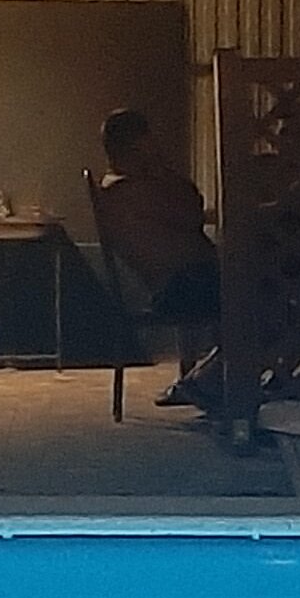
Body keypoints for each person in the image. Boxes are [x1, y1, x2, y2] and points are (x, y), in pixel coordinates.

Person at [94, 108, 222, 403]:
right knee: (262, 295)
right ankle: (207, 378)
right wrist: (161, 168)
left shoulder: (128, 188)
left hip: (186, 279)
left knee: (259, 288)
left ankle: (214, 374)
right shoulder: (129, 190)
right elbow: (190, 208)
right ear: (139, 144)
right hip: (182, 285)